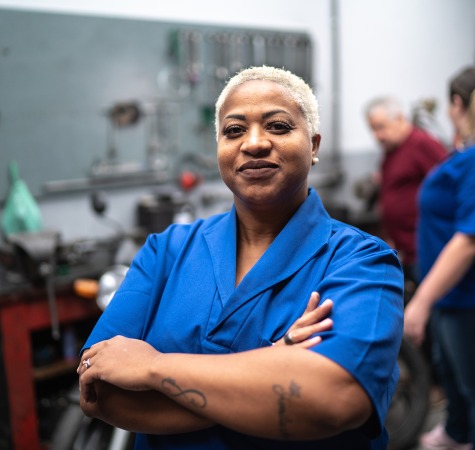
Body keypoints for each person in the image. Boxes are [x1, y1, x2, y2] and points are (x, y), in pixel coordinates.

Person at [77, 66, 404, 450]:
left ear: (313, 146)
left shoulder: (361, 263)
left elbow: (332, 400)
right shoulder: (165, 251)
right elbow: (100, 391)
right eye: (233, 130)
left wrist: (152, 367)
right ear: (219, 148)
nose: (254, 143)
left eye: (278, 126)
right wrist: (273, 365)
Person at [404, 65, 475, 450]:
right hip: (452, 296)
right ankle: (457, 435)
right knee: (457, 379)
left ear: (456, 103)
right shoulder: (472, 152)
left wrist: (421, 303)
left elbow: (471, 238)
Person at [365, 97, 448, 283]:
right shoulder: (391, 150)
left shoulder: (422, 144)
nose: (377, 135)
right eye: (373, 129)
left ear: (400, 119)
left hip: (427, 251)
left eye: (381, 127)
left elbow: (449, 189)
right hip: (406, 251)